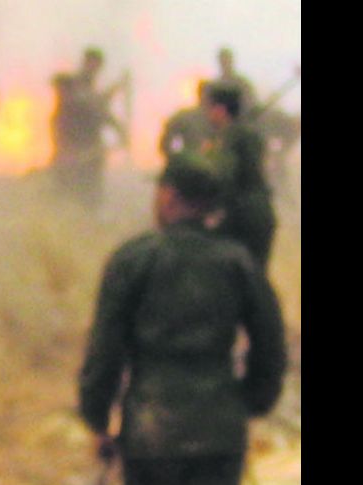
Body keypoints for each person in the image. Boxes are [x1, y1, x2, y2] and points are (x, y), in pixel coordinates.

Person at [78, 152, 287, 485]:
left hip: (151, 434)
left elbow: (105, 350)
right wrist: (250, 403)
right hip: (220, 432)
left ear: (169, 195)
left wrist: (97, 418)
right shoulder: (237, 262)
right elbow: (271, 344)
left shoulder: (133, 259)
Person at [203, 83, 276, 270]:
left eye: (209, 108)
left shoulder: (230, 137)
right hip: (260, 213)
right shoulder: (246, 134)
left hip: (241, 216)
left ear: (219, 110)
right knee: (254, 277)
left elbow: (226, 178)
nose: (207, 114)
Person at [50, 47, 126, 211]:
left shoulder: (89, 86)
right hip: (74, 147)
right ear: (86, 62)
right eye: (92, 63)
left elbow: (97, 108)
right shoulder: (76, 84)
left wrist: (118, 128)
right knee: (71, 193)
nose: (94, 68)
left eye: (97, 65)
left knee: (89, 194)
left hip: (89, 148)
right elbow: (92, 107)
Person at [159, 80, 216, 157]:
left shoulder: (222, 120)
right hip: (191, 164)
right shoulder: (183, 118)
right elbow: (169, 144)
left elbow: (169, 145)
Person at [215, 47, 257, 114]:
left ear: (231, 61)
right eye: (223, 60)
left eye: (227, 60)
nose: (225, 63)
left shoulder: (243, 83)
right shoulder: (215, 86)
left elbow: (251, 102)